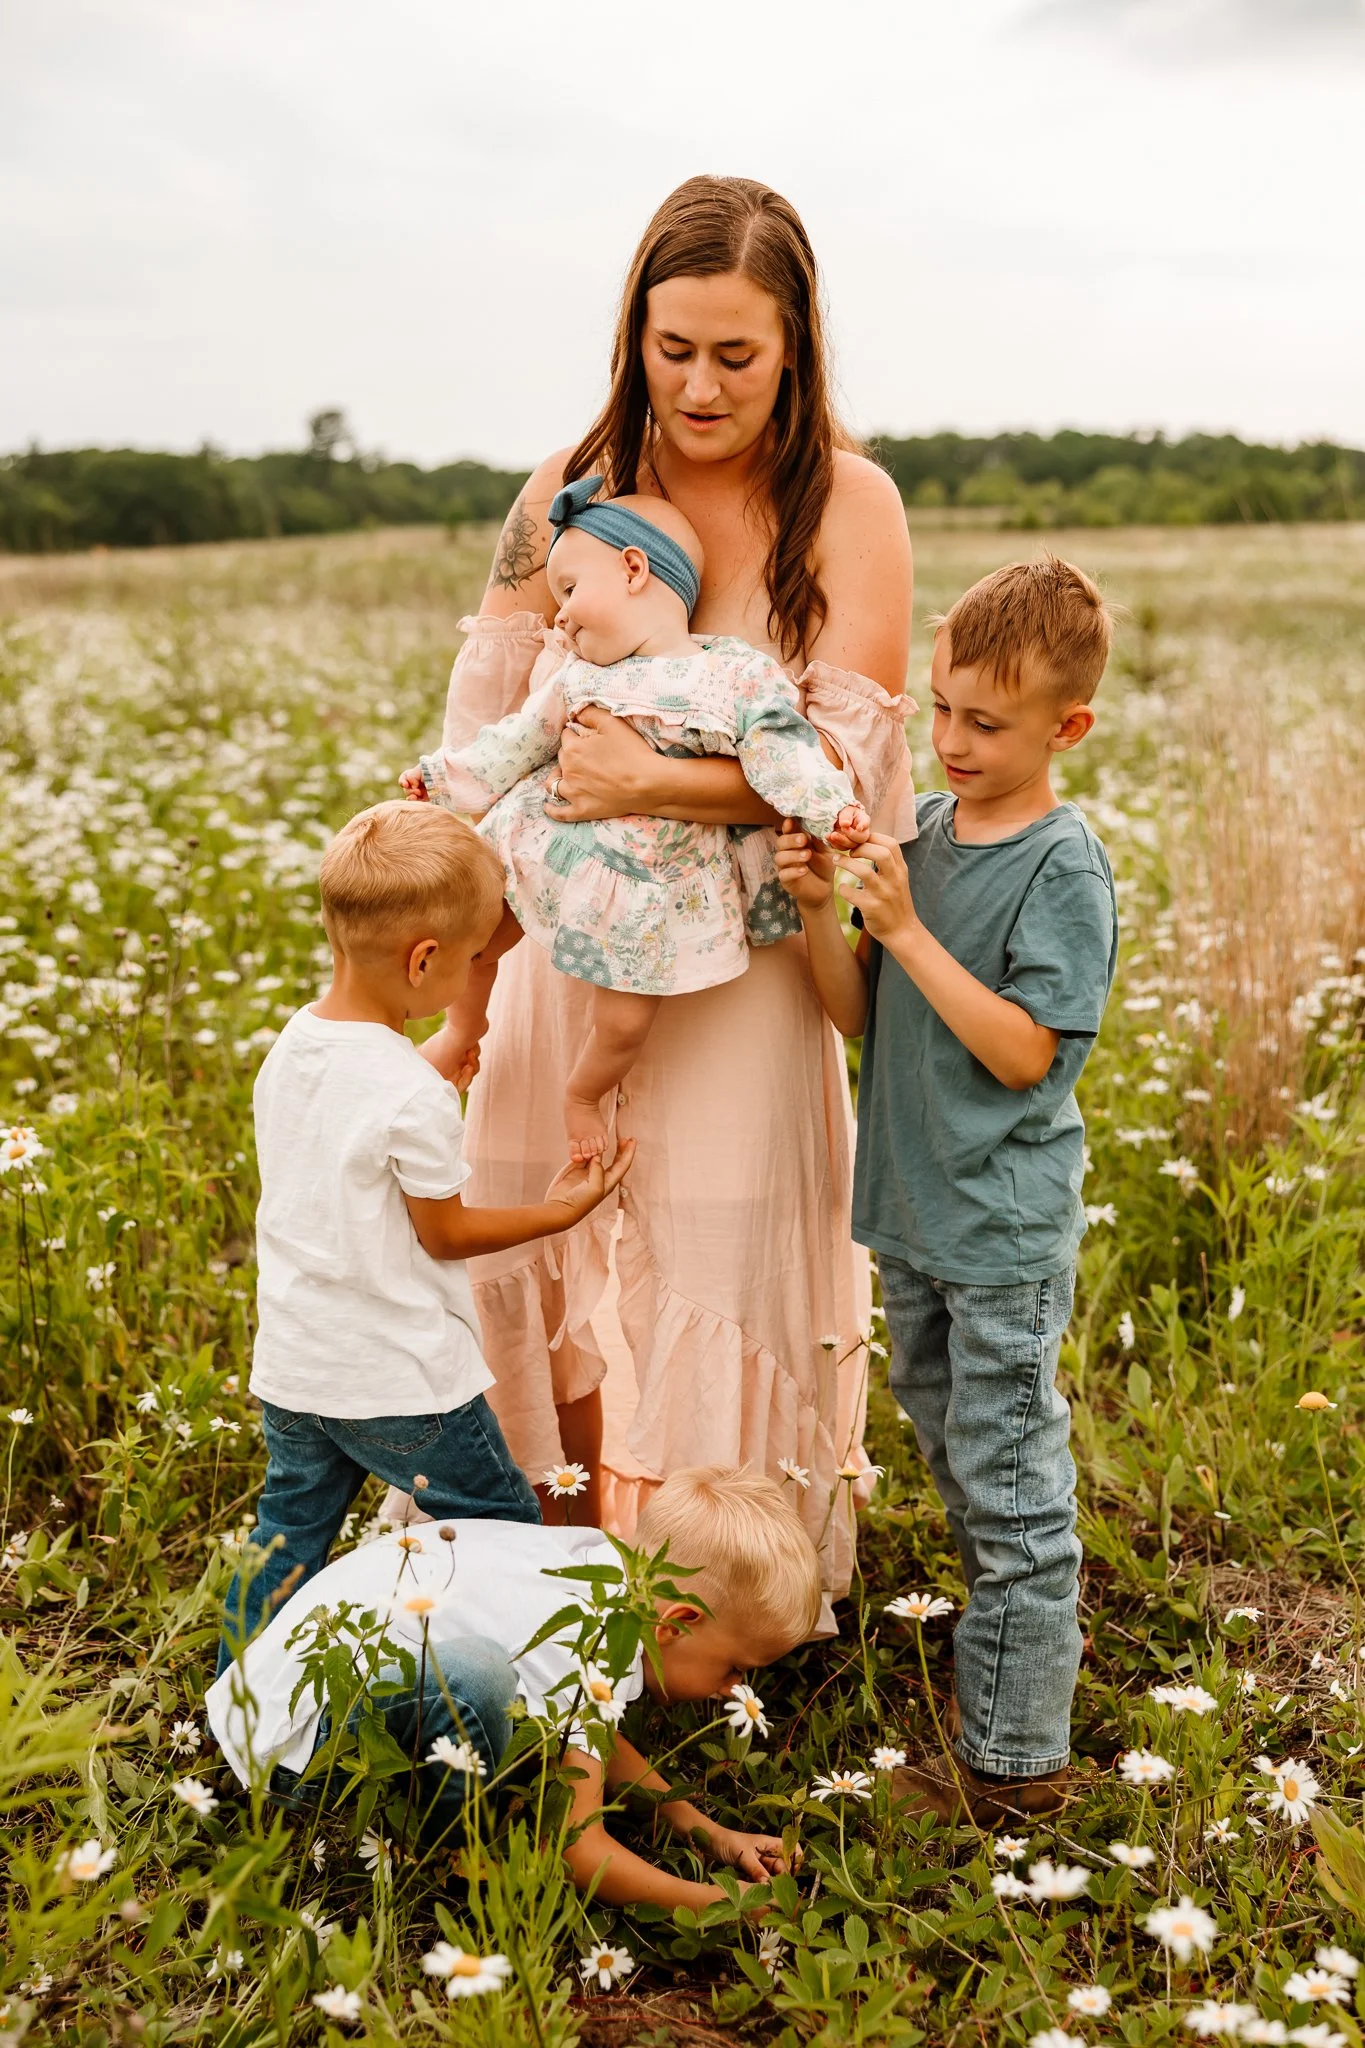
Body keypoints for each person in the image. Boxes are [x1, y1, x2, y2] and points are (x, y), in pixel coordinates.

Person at [408, 174, 915, 1578]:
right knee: (540, 1244)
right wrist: (463, 984)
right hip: (560, 939)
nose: (699, 385)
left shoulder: (853, 509)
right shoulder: (567, 493)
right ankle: (538, 1583)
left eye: (735, 355)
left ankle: (714, 1597)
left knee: (715, 1255)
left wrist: (655, 784)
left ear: (795, 347)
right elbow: (489, 738)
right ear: (634, 333)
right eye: (671, 346)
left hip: (739, 968)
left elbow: (848, 781)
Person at [776, 556, 1119, 1822]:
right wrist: (827, 910)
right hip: (913, 1210)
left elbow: (1028, 1050)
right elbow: (864, 1011)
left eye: (988, 721)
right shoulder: (917, 828)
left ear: (1065, 727)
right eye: (941, 710)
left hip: (1001, 1227)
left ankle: (1017, 1766)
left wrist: (911, 925)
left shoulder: (1061, 867)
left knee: (1013, 1479)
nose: (952, 740)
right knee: (958, 1455)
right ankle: (1015, 1678)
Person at [217, 801, 634, 1673]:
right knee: (509, 1537)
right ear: (423, 960)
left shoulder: (292, 1046)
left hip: (298, 1367)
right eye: (479, 955)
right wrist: (559, 1214)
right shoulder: (409, 1096)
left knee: (285, 1537)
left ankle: (238, 1703)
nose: (484, 969)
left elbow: (341, 1152)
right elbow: (443, 1233)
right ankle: (536, 1707)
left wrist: (428, 1067)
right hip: (402, 1381)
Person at [404, 476, 868, 1160]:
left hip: (649, 895)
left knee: (623, 1022)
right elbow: (515, 742)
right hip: (544, 853)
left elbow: (786, 758)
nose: (558, 615)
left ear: (632, 569)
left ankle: (582, 1093)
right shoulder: (574, 676)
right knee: (473, 934)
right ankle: (462, 1031)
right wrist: (442, 778)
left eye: (568, 590)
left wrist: (835, 811)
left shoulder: (735, 676)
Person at [206, 1465, 819, 1910]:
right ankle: (451, 1852)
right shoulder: (597, 1637)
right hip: (301, 1754)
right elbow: (576, 1848)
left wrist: (712, 1835)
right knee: (477, 1680)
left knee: (488, 1687)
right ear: (676, 1624)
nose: (732, 1689)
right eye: (736, 1668)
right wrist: (715, 1903)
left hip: (281, 1694)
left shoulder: (605, 1572)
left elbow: (594, 1742)